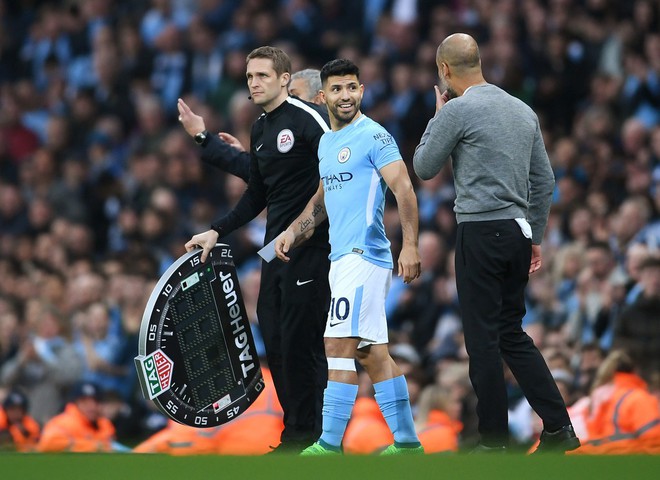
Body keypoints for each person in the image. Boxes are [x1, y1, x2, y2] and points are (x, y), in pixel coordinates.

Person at [412, 33, 579, 453]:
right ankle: (559, 427)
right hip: (518, 232)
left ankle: (494, 442)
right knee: (511, 333)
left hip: (480, 233)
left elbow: (424, 166)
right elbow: (545, 181)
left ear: (445, 70)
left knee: (483, 340)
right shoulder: (522, 110)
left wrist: (437, 116)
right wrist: (534, 235)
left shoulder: (458, 109)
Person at [183, 46, 331, 453]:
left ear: (284, 79)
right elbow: (258, 194)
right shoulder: (262, 129)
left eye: (262, 75)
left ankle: (314, 437)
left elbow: (338, 173)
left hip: (312, 246)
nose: (254, 83)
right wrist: (217, 231)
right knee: (276, 338)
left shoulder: (310, 119)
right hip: (273, 250)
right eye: (250, 77)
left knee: (303, 342)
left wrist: (307, 227)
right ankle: (295, 432)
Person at [275, 58, 423, 455]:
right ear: (323, 96)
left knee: (337, 345)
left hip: (364, 253)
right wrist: (293, 230)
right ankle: (408, 444)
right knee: (371, 352)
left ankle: (328, 444)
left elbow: (404, 189)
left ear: (362, 91)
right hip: (341, 257)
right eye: (338, 89)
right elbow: (322, 199)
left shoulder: (374, 136)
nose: (346, 95)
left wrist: (410, 245)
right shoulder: (327, 143)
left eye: (353, 87)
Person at [177, 68, 323, 182]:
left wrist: (201, 135)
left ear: (318, 100)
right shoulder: (288, 138)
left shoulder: (333, 141)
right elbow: (262, 177)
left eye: (295, 96)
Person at [38, 382, 118, 453]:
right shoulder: (62, 422)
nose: (91, 406)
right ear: (76, 403)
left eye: (95, 401)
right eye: (84, 401)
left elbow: (112, 447)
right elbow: (46, 444)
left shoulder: (105, 424)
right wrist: (92, 447)